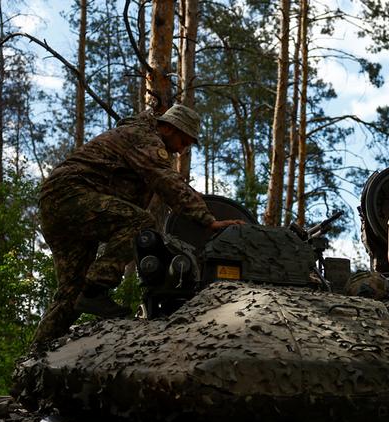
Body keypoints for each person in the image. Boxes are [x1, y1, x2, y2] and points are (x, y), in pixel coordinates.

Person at [30, 104, 244, 350]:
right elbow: (166, 180)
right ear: (167, 127)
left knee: (71, 294)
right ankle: (96, 289)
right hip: (71, 196)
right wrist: (209, 220)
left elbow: (170, 187)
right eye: (182, 140)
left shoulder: (141, 140)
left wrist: (198, 208)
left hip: (59, 206)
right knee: (140, 222)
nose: (182, 149)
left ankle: (32, 359)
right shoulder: (144, 137)